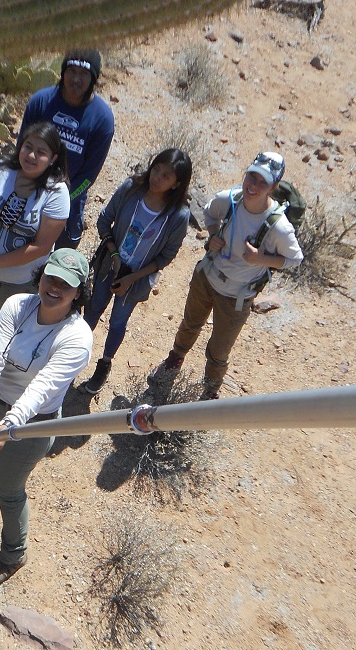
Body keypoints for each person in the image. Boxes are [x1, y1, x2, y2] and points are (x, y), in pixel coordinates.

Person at [0, 248, 93, 584]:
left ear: (78, 292)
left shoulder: (77, 338)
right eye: (51, 277)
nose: (54, 287)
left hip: (32, 422)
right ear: (41, 275)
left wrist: (10, 424)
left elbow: (42, 387)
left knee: (7, 488)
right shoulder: (17, 305)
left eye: (66, 284)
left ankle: (13, 554)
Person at [149, 151, 303, 400]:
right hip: (207, 278)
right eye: (251, 177)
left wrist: (260, 259)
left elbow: (295, 260)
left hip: (237, 295)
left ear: (273, 186)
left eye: (262, 182)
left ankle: (210, 391)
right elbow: (210, 213)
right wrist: (212, 236)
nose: (253, 186)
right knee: (189, 324)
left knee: (219, 350)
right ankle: (174, 361)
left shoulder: (278, 226)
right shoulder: (230, 199)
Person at [81, 148, 193, 395]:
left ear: (176, 184)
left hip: (136, 279)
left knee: (118, 322)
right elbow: (103, 220)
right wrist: (114, 254)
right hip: (109, 265)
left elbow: (166, 257)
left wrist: (132, 277)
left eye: (166, 176)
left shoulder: (178, 216)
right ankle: (72, 351)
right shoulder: (131, 188)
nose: (157, 177)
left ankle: (104, 364)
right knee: (93, 308)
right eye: (156, 169)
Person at [0, 121, 69, 340]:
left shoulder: (57, 193)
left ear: (52, 159)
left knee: (5, 325)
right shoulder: (0, 169)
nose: (31, 156)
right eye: (28, 147)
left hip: (21, 279)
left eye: (41, 152)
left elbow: (41, 247)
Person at [18, 49, 114, 247]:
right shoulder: (41, 101)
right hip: (28, 190)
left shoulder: (102, 120)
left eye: (84, 74)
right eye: (72, 71)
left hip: (68, 201)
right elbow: (22, 148)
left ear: (93, 79)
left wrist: (59, 199)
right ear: (62, 72)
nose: (76, 79)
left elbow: (88, 176)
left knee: (57, 266)